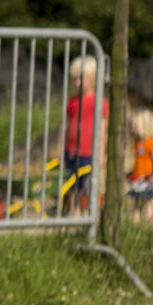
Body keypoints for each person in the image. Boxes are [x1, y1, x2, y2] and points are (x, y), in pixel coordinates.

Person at [62, 55, 106, 215]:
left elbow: (102, 129)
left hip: (88, 153)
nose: (77, 83)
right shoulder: (73, 101)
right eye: (74, 79)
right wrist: (62, 146)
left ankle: (87, 214)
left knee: (86, 185)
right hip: (71, 151)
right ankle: (72, 213)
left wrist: (101, 154)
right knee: (71, 184)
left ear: (92, 78)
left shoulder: (98, 101)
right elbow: (66, 125)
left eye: (81, 79)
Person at [127, 109, 153, 220]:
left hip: (147, 179)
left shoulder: (152, 142)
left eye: (135, 126)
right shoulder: (137, 143)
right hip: (137, 177)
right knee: (135, 204)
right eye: (132, 126)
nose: (132, 128)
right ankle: (135, 226)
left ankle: (149, 223)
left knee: (148, 203)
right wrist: (131, 172)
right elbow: (139, 161)